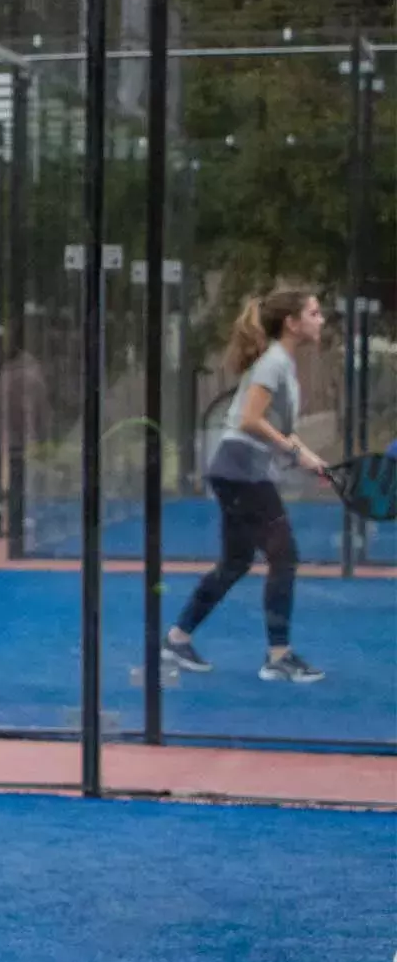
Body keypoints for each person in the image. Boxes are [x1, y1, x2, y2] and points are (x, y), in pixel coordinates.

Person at [162, 288, 328, 683]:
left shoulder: (280, 364)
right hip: (241, 468)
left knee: (236, 561)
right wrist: (294, 451)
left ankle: (177, 640)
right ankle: (278, 655)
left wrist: (311, 459)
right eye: (315, 313)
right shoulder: (273, 363)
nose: (321, 320)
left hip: (237, 468)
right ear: (292, 322)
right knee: (284, 556)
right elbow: (250, 420)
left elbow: (279, 430)